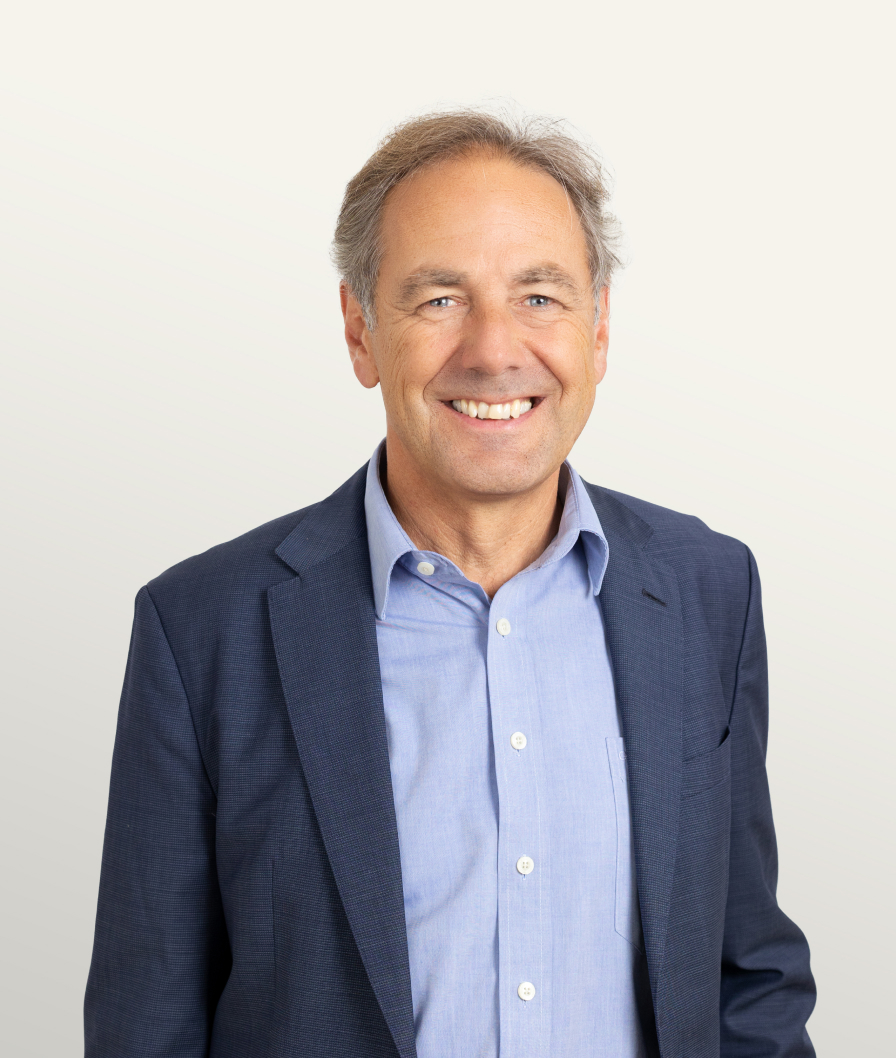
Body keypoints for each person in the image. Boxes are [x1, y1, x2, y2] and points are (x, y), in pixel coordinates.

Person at [84, 110, 816, 1058]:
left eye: (540, 297)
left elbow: (746, 973)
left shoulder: (711, 593)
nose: (494, 350)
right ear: (359, 332)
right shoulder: (202, 631)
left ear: (599, 331)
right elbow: (148, 1023)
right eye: (438, 300)